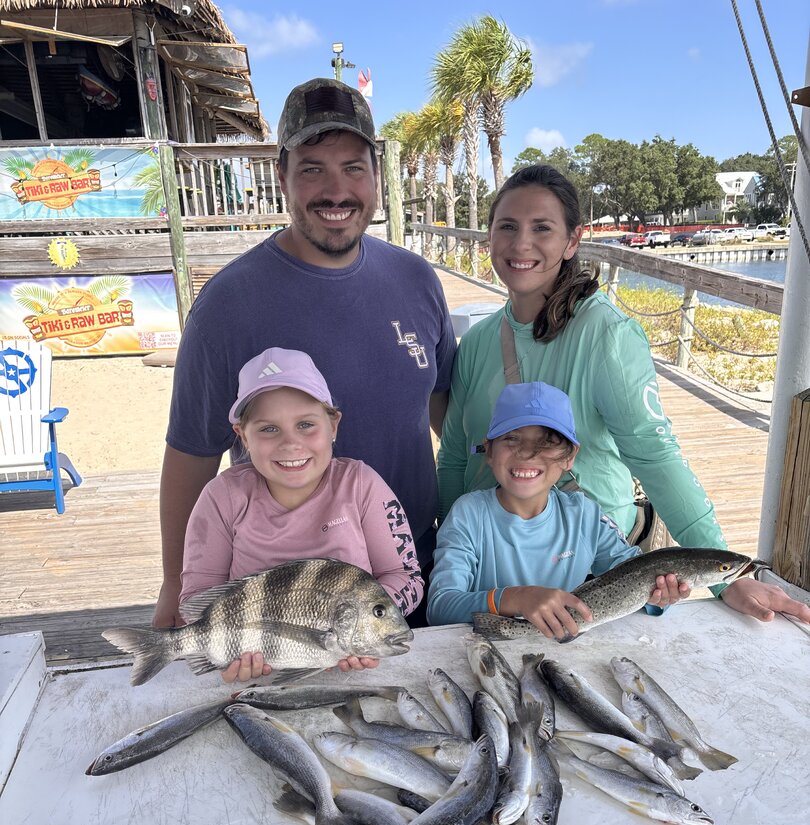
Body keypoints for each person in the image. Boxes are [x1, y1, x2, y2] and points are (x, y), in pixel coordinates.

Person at [436, 164, 810, 627]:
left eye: (542, 228)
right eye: (507, 226)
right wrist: (447, 545)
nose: (521, 243)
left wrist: (723, 577)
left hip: (590, 570)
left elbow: (654, 453)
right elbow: (455, 456)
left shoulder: (607, 334)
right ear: (489, 236)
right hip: (487, 570)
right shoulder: (476, 342)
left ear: (572, 241)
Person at [154, 77, 455, 629]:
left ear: (376, 173)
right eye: (313, 169)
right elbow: (191, 454)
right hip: (284, 603)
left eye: (353, 168)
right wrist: (175, 587)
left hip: (409, 581)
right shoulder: (227, 304)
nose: (336, 191)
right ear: (282, 176)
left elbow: (443, 413)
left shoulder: (417, 280)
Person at [180, 347, 424, 683]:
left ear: (333, 425)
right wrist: (224, 652)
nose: (291, 443)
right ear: (243, 436)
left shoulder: (361, 485)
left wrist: (365, 625)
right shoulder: (222, 497)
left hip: (358, 677)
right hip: (255, 680)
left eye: (306, 424)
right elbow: (196, 600)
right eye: (268, 429)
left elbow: (406, 576)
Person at [428, 381, 689, 634]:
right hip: (484, 649)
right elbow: (440, 607)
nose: (528, 453)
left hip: (565, 650)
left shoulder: (584, 515)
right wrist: (516, 598)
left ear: (570, 456)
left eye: (548, 442)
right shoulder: (468, 515)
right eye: (512, 438)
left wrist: (660, 595)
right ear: (489, 451)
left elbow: (639, 577)